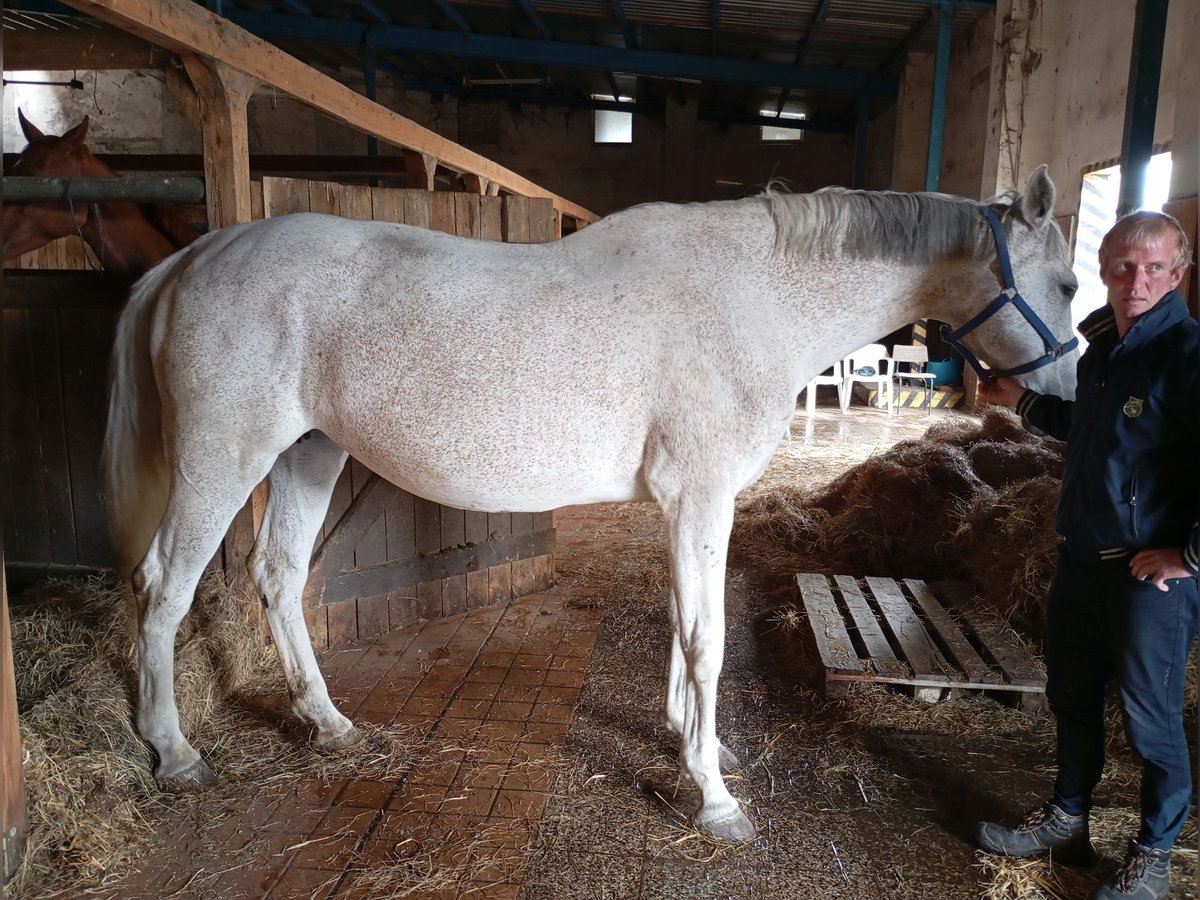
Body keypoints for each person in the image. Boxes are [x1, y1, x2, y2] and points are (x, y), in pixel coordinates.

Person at [974, 210, 1199, 900]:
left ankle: (1154, 856)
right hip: (1080, 561)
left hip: (1145, 577)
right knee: (1070, 697)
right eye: (1124, 266)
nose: (1137, 279)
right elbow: (1090, 429)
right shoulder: (1105, 351)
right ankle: (1068, 820)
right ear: (1103, 271)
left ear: (1177, 275)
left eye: (1153, 266)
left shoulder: (1188, 356)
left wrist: (1186, 555)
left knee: (1150, 721)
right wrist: (1022, 403)